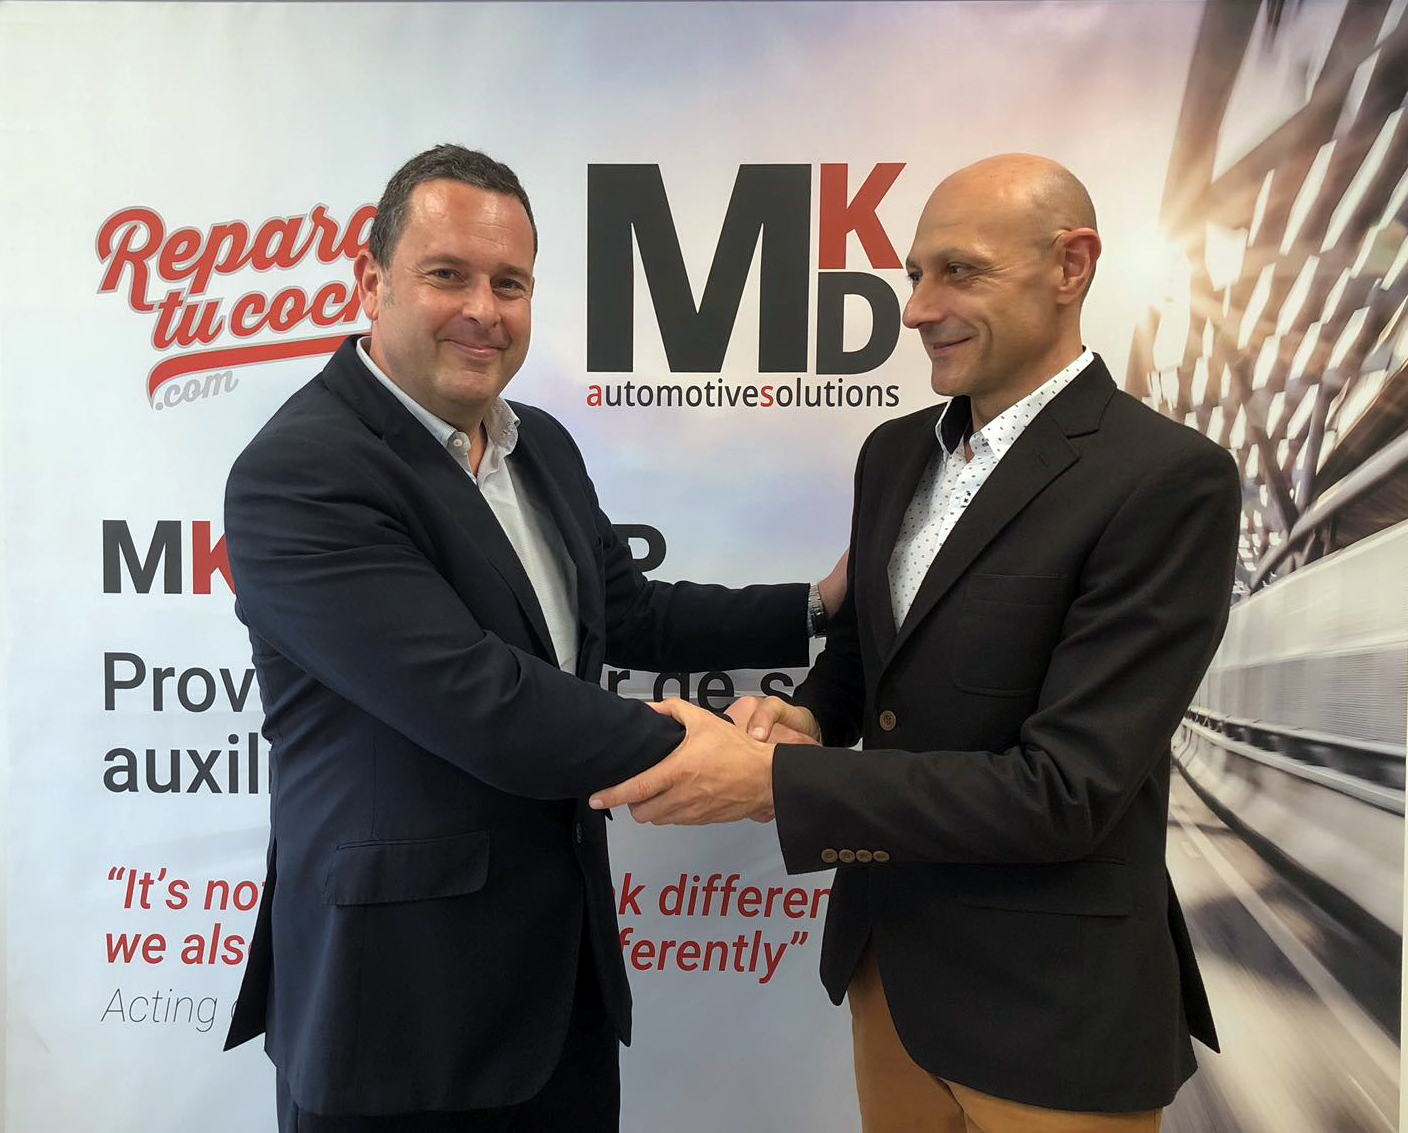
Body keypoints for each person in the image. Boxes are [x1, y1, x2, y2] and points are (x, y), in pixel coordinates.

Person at [591, 153, 1241, 1131]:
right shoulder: (893, 454)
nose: (917, 308)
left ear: (1071, 266)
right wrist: (810, 716)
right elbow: (870, 652)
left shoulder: (1167, 479)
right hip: (887, 968)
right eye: (915, 274)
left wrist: (778, 782)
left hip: (1051, 1011)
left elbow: (1067, 791)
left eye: (959, 271)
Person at [221, 144, 843, 1132]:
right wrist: (738, 758)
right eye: (448, 274)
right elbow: (482, 701)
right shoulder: (303, 470)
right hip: (401, 1011)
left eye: (509, 283)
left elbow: (629, 613)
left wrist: (816, 604)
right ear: (372, 282)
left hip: (559, 987)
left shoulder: (536, 442)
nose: (484, 309)